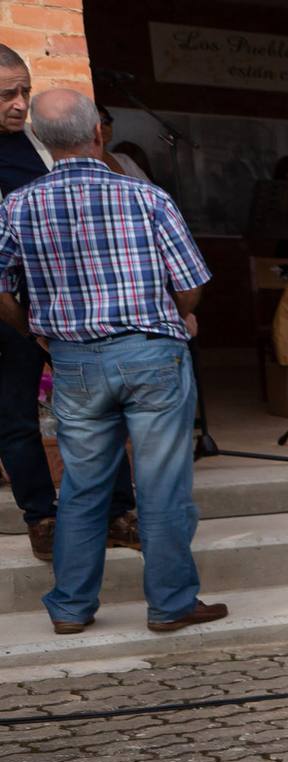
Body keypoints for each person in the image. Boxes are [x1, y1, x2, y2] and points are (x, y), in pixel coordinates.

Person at [0, 89, 223, 636]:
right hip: (151, 353)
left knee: (81, 486)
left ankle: (72, 608)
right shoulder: (147, 198)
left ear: (44, 142)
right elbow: (192, 282)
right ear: (97, 133)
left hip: (74, 360)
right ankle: (171, 603)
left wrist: (31, 329)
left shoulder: (18, 204)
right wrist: (177, 313)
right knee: (161, 485)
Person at [0, 46, 137, 564]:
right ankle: (43, 519)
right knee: (16, 417)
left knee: (97, 408)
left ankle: (118, 514)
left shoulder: (39, 142)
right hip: (7, 308)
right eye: (7, 95)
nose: (20, 104)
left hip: (66, 305)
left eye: (25, 92)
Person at [96, 110, 149, 181]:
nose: (103, 127)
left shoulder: (124, 160)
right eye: (96, 122)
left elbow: (148, 187)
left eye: (106, 122)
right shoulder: (81, 162)